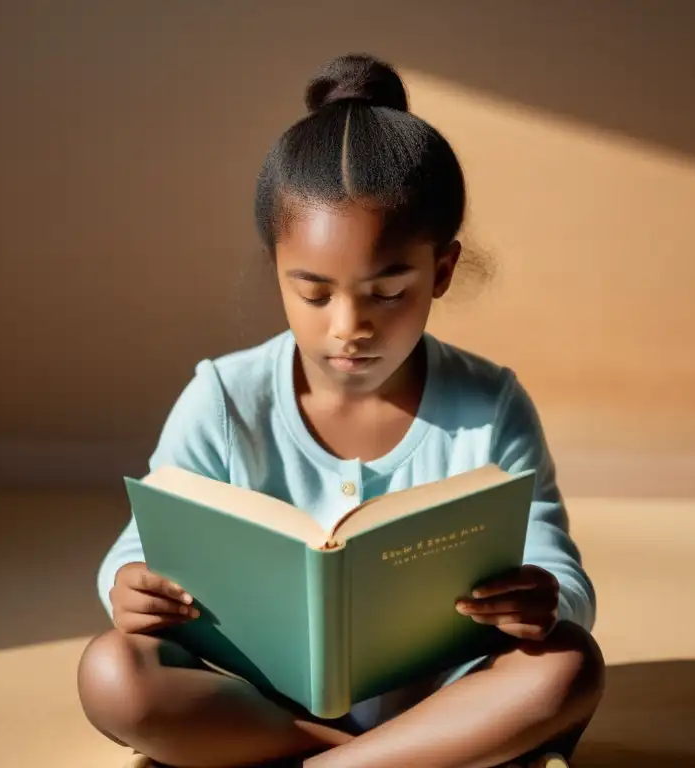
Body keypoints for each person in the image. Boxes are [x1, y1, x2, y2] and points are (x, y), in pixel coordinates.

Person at [77, 53, 604, 768]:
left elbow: (557, 568)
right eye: (315, 293)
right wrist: (130, 586)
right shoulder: (224, 398)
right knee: (112, 674)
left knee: (568, 664)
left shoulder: (490, 405)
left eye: (388, 292)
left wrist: (545, 599)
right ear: (277, 273)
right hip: (256, 698)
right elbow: (146, 544)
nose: (349, 326)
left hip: (444, 693)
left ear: (440, 271)